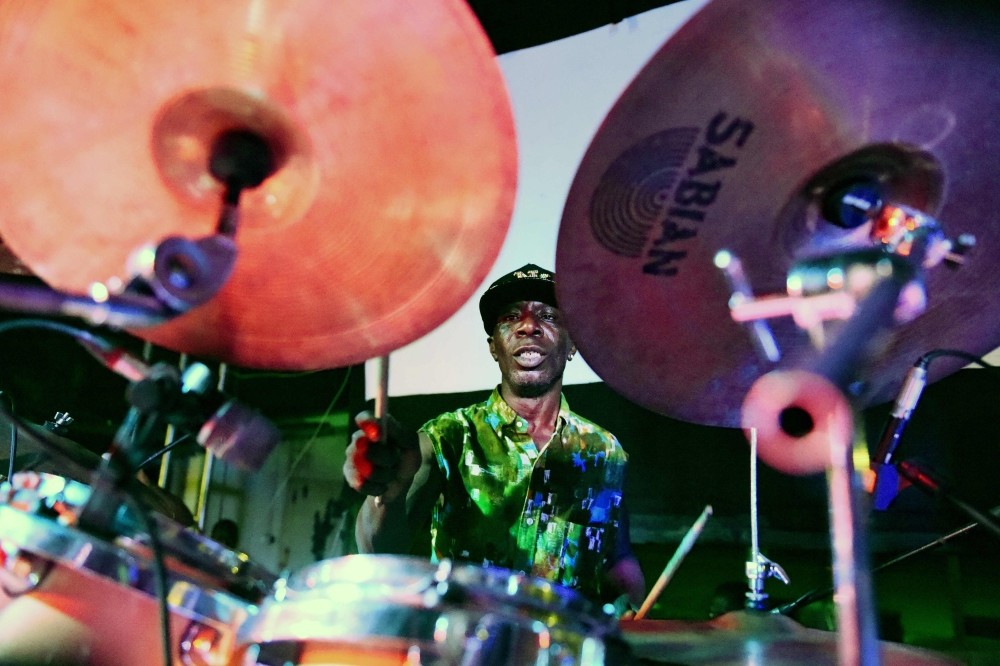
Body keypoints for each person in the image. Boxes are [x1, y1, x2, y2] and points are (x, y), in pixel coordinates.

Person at [343, 263, 646, 614]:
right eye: (510, 318)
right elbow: (377, 550)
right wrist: (387, 495)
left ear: (572, 345)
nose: (528, 326)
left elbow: (618, 556)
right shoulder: (448, 436)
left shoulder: (604, 450)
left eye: (548, 316)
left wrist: (630, 600)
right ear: (494, 348)